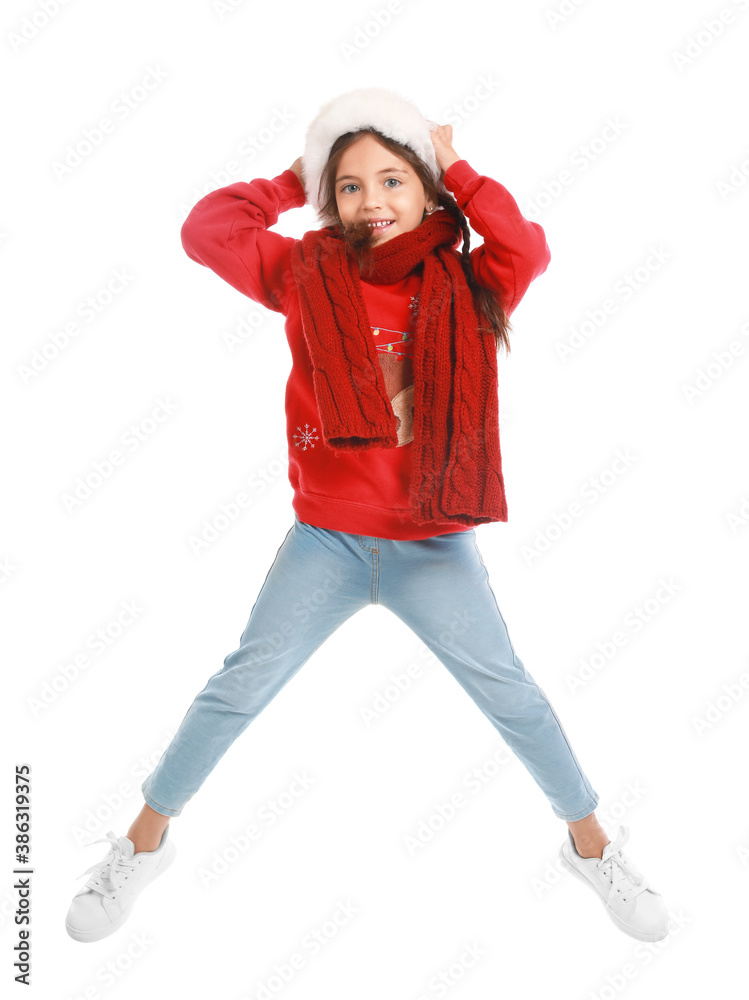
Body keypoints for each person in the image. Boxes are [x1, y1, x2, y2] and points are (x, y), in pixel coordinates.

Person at [65, 86, 670, 945]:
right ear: (330, 199)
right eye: (348, 186)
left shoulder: (471, 279)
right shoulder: (305, 274)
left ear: (429, 191)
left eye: (394, 179)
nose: (371, 200)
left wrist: (459, 162)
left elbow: (525, 247)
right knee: (236, 688)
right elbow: (205, 232)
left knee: (515, 701)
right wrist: (290, 177)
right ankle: (142, 844)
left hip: (433, 543)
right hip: (328, 540)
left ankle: (591, 848)